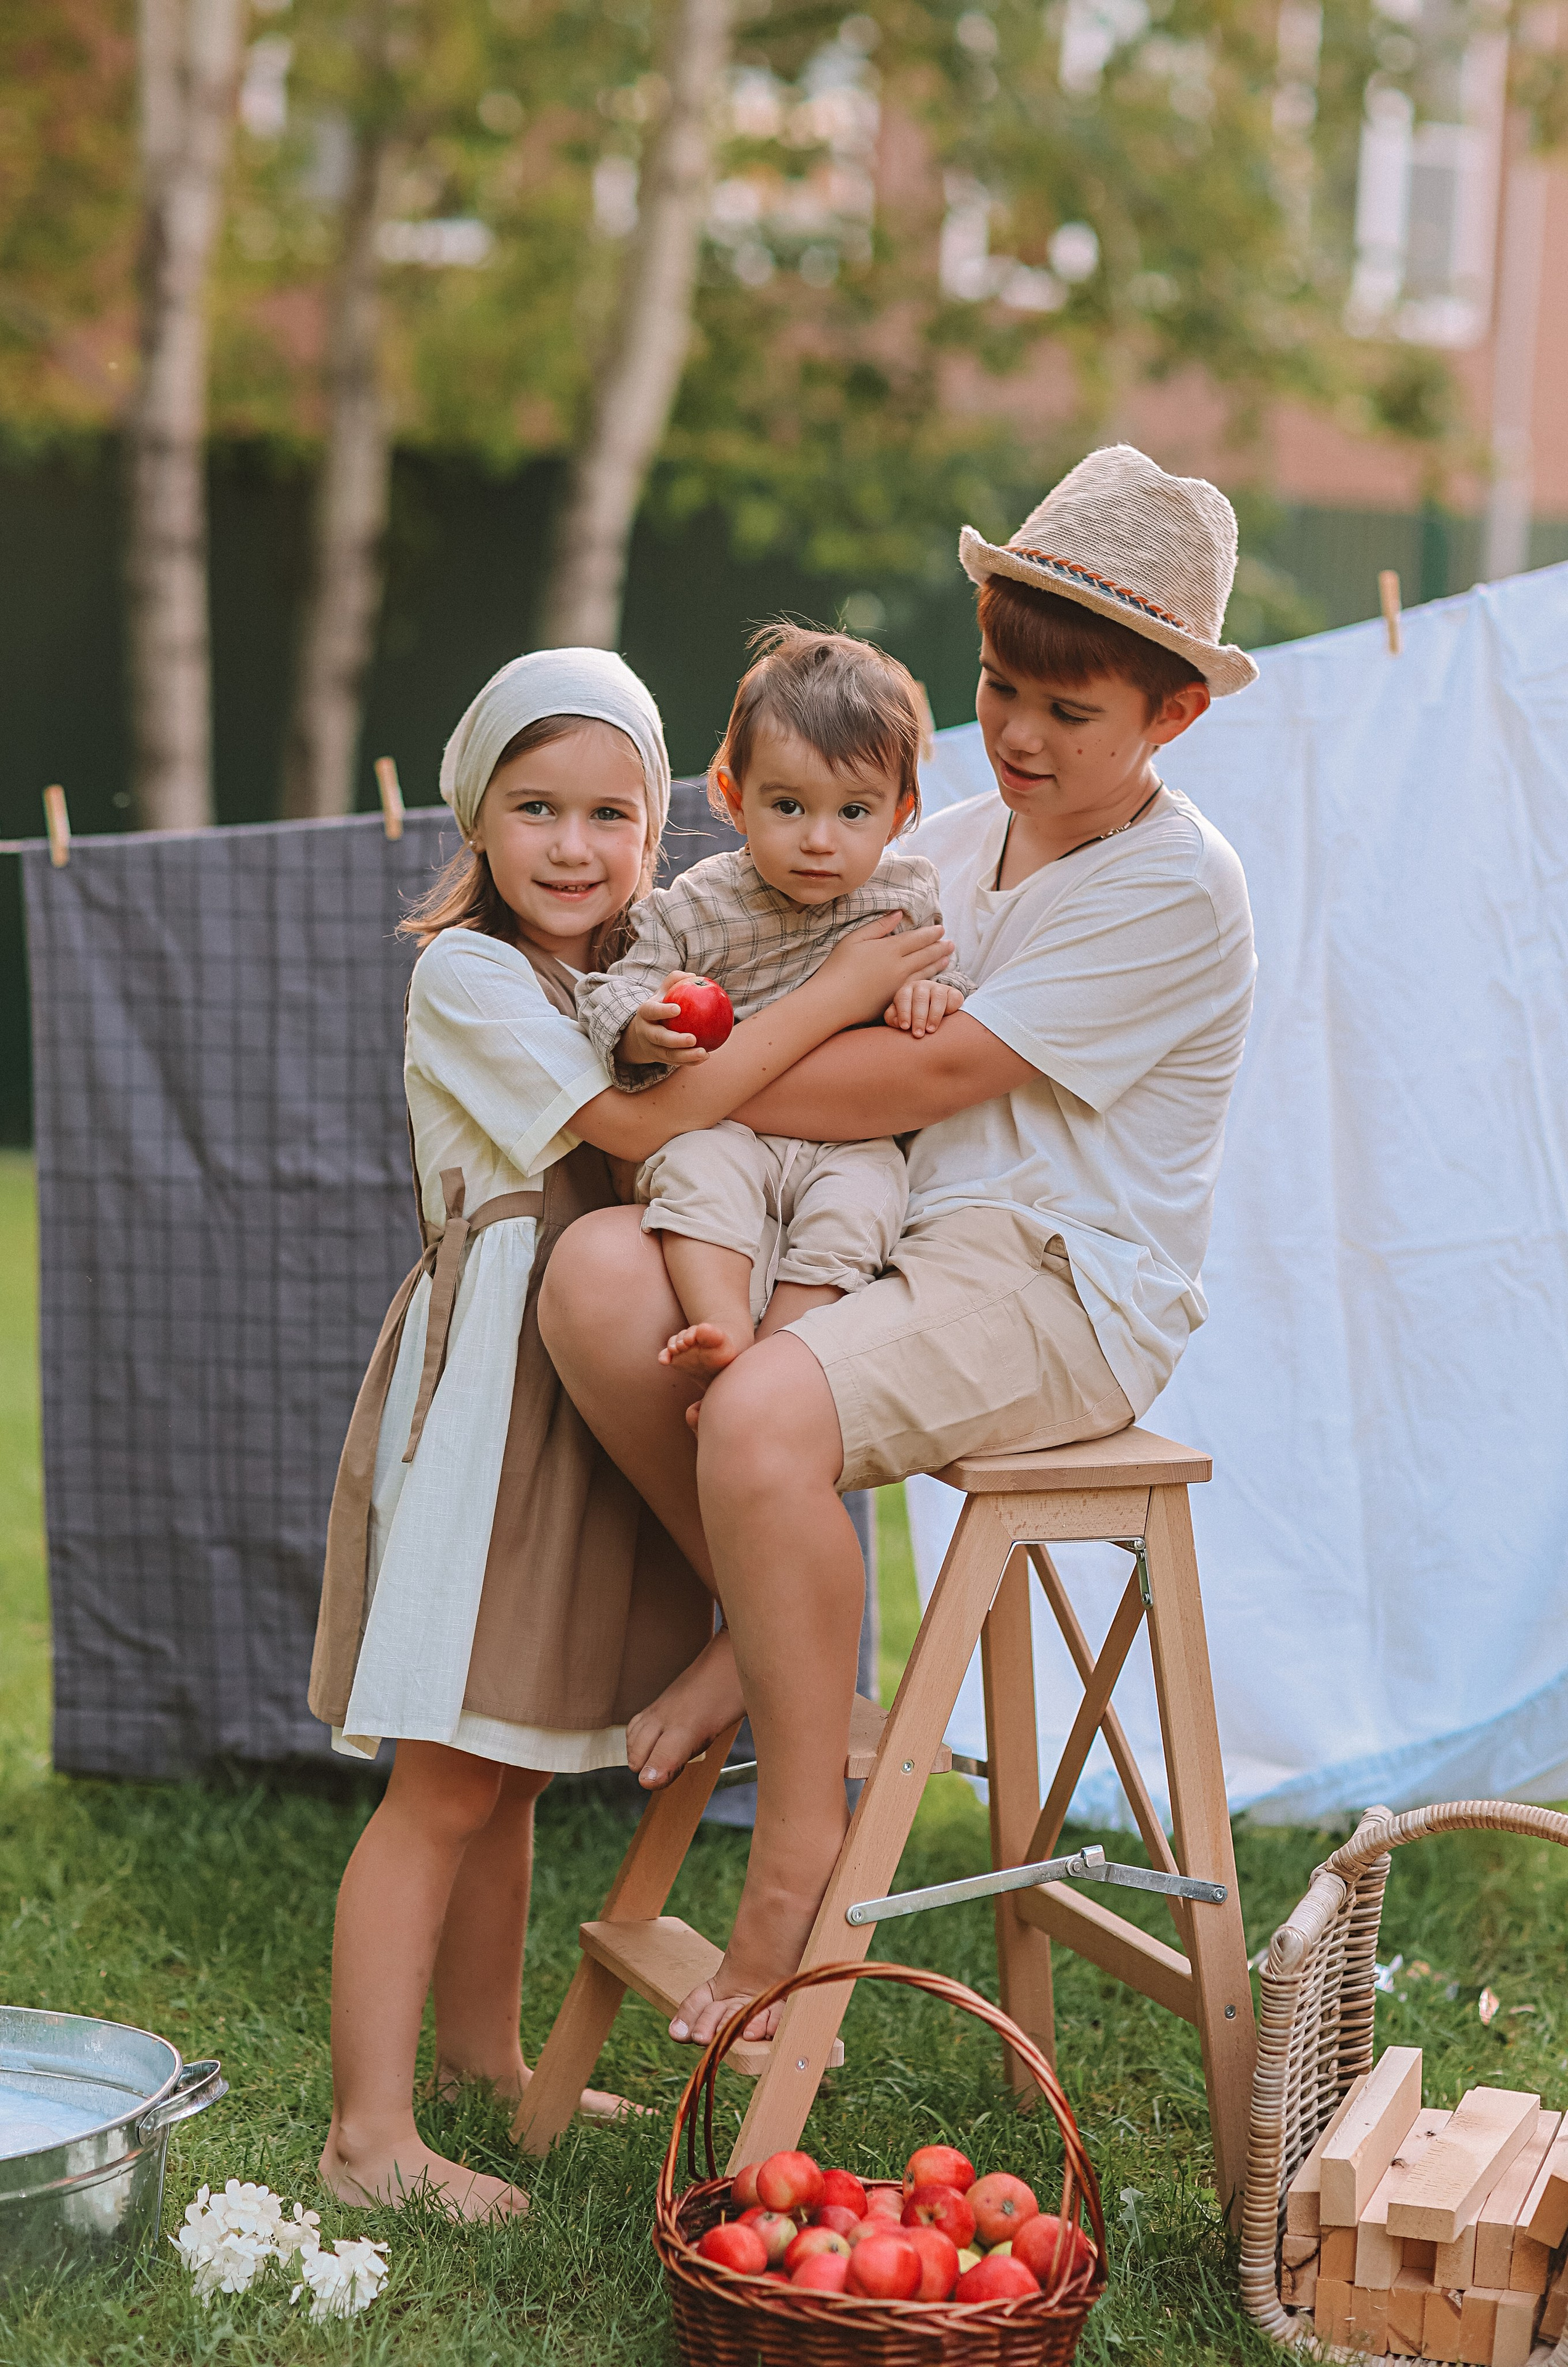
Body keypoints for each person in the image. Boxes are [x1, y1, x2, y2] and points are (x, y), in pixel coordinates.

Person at [539, 443, 1261, 2046]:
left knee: (765, 1405)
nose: (1011, 733)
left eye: (1066, 714)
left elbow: (920, 1073)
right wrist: (741, 1047)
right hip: (880, 1234)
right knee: (590, 1274)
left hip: (1059, 1283)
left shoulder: (1174, 889)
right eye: (999, 686)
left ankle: (795, 1863)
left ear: (1173, 714)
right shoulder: (941, 848)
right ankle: (761, 1630)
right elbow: (809, 1034)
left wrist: (725, 1078)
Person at [306, 647, 952, 2218]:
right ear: (478, 819)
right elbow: (648, 1130)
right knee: (443, 1776)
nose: (574, 847)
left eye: (608, 813)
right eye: (536, 809)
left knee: (511, 1764)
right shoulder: (470, 976)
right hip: (488, 1410)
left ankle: (474, 2062)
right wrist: (852, 988)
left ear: (659, 831)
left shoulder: (645, 980)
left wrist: (852, 989)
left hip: (582, 1391)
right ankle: (365, 2136)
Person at [574, 626, 971, 1385]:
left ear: (901, 811)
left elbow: (948, 986)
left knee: (867, 1206)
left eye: (854, 812)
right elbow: (615, 987)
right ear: (732, 796)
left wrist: (930, 996)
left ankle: (778, 1361)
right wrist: (638, 1029)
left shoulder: (904, 897)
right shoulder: (698, 905)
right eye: (788, 805)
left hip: (844, 1141)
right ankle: (719, 1323)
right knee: (696, 1174)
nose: (819, 841)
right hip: (723, 1125)